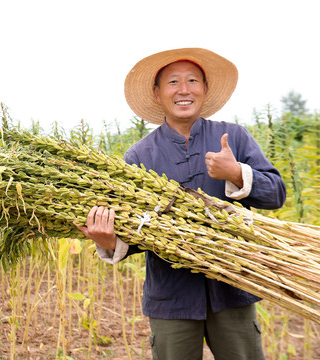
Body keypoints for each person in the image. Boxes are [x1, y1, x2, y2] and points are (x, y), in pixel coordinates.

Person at [75, 48, 286, 360]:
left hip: (233, 287)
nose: (184, 89)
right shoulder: (138, 157)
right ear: (157, 93)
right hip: (171, 297)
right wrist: (110, 242)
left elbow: (276, 194)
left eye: (193, 80)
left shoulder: (234, 137)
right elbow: (138, 231)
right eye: (173, 82)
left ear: (205, 89)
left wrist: (237, 173)